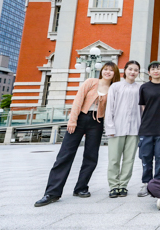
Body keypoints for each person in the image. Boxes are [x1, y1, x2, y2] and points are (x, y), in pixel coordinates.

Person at [34, 62, 120, 207]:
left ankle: (81, 188)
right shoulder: (91, 82)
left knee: (91, 157)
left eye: (111, 71)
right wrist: (72, 120)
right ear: (101, 71)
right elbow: (78, 100)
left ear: (115, 73)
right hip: (80, 119)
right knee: (65, 155)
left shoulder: (114, 89)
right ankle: (52, 192)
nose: (107, 72)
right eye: (105, 69)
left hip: (97, 122)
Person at [105, 60, 142, 198]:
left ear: (138, 73)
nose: (133, 72)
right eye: (130, 69)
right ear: (125, 70)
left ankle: (123, 185)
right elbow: (110, 108)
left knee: (129, 159)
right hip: (117, 128)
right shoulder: (115, 86)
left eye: (136, 70)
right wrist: (110, 127)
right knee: (114, 159)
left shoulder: (140, 88)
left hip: (134, 129)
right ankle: (114, 186)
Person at [137, 61, 160, 197]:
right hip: (146, 128)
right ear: (149, 72)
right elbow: (143, 107)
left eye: (158, 69)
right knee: (145, 157)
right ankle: (146, 183)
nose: (155, 71)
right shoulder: (144, 87)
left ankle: (158, 183)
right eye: (153, 69)